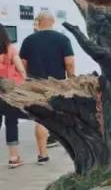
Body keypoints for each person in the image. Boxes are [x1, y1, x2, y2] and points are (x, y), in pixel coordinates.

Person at [20, 10, 75, 164]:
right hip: (57, 84)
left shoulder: (28, 40)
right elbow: (69, 63)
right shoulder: (63, 39)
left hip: (36, 84)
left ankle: (43, 155)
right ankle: (71, 149)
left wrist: (28, 79)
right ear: (52, 22)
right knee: (63, 116)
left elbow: (23, 64)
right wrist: (72, 80)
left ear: (39, 22)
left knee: (41, 119)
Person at [0, 23, 27, 168]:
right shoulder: (10, 49)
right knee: (11, 122)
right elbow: (21, 69)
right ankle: (13, 157)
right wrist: (25, 82)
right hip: (9, 92)